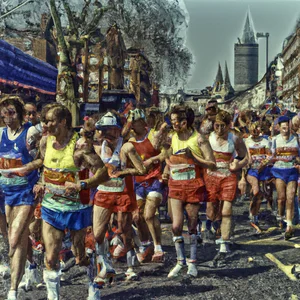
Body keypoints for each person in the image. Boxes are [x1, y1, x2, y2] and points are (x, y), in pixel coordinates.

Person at [19, 104, 109, 300]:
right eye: (45, 121)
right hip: (51, 207)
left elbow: (103, 173)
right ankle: (54, 297)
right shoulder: (45, 141)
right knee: (50, 257)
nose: (46, 125)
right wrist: (41, 181)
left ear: (63, 122)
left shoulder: (80, 147)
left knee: (79, 256)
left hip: (76, 208)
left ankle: (92, 283)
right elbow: (44, 163)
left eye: (51, 121)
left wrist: (82, 184)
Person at [92, 112, 147, 284]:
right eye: (103, 131)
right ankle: (105, 266)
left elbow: (141, 170)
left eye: (110, 130)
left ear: (117, 130)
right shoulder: (97, 147)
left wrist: (123, 172)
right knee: (98, 234)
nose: (106, 134)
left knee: (124, 230)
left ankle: (130, 268)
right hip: (103, 191)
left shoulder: (126, 148)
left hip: (122, 192)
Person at [165, 105, 216, 278]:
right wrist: (167, 169)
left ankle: (192, 262)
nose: (173, 125)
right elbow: (169, 156)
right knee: (176, 225)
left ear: (184, 122)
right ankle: (180, 261)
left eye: (175, 122)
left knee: (192, 223)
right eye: (172, 122)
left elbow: (212, 163)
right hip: (176, 184)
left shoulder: (199, 139)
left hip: (194, 184)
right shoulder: (172, 137)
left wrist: (193, 158)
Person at [0, 96, 39, 300]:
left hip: (26, 191)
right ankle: (27, 271)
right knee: (17, 238)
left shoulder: (31, 132)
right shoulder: (0, 134)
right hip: (7, 193)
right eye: (4, 113)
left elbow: (44, 156)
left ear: (20, 114)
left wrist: (34, 173)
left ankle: (13, 289)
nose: (7, 117)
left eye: (11, 113)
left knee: (14, 238)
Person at [204, 110, 248, 264]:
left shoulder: (234, 139)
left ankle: (224, 245)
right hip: (211, 178)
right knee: (211, 212)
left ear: (229, 125)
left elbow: (245, 157)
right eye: (217, 125)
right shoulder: (208, 138)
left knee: (227, 210)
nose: (220, 129)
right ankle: (215, 224)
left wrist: (237, 164)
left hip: (228, 177)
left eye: (223, 126)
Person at [126, 108, 166, 263]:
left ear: (142, 123)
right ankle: (145, 244)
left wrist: (152, 160)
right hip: (138, 182)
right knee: (137, 217)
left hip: (154, 180)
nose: (132, 126)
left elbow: (164, 154)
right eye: (131, 124)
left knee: (149, 214)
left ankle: (158, 247)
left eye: (134, 123)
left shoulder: (152, 136)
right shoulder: (129, 142)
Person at [271, 115, 300, 239]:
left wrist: (298, 161)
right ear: (279, 128)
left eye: (287, 127)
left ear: (290, 127)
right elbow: (271, 156)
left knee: (290, 197)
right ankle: (280, 216)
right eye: (283, 128)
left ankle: (289, 225)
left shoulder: (296, 139)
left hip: (292, 171)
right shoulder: (275, 140)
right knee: (281, 198)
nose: (285, 130)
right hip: (279, 171)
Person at [244, 122, 272, 233]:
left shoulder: (265, 140)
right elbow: (246, 156)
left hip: (264, 169)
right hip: (252, 170)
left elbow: (269, 155)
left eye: (257, 128)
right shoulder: (247, 141)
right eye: (252, 129)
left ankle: (256, 213)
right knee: (256, 190)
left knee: (263, 193)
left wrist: (263, 163)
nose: (255, 131)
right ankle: (252, 215)